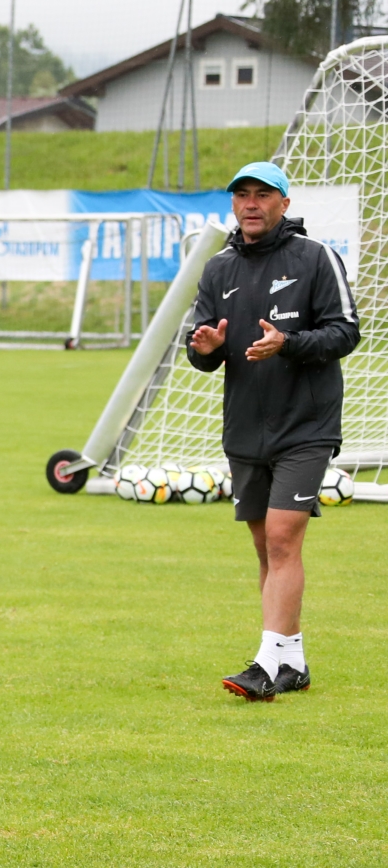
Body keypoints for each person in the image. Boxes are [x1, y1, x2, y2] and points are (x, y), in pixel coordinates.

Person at [187, 161, 359, 701]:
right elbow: (202, 346)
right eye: (242, 195)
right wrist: (205, 349)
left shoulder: (315, 258)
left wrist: (290, 343)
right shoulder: (217, 269)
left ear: (284, 203)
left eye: (264, 194)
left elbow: (345, 331)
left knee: (284, 540)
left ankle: (264, 666)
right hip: (244, 427)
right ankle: (293, 661)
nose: (251, 203)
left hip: (305, 425)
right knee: (267, 550)